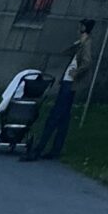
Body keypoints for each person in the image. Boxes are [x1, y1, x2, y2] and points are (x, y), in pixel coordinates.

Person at [34, 21, 95, 160]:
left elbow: (87, 61)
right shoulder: (81, 43)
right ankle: (56, 149)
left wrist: (76, 72)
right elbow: (66, 52)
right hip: (68, 82)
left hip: (70, 83)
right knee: (64, 118)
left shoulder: (87, 44)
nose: (78, 29)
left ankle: (39, 147)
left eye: (80, 26)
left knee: (55, 115)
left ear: (84, 28)